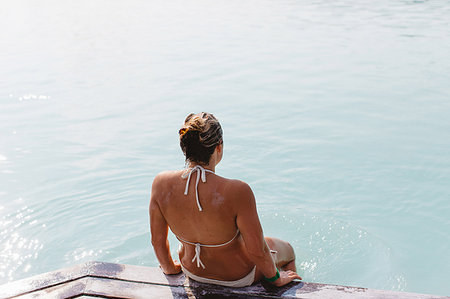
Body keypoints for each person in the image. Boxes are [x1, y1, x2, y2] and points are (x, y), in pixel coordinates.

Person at [150, 112, 301, 287]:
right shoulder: (238, 190)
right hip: (237, 277)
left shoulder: (160, 184)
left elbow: (157, 240)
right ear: (219, 147)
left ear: (185, 147)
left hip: (192, 271)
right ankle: (287, 289)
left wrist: (169, 268)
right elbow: (257, 251)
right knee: (288, 250)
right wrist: (276, 278)